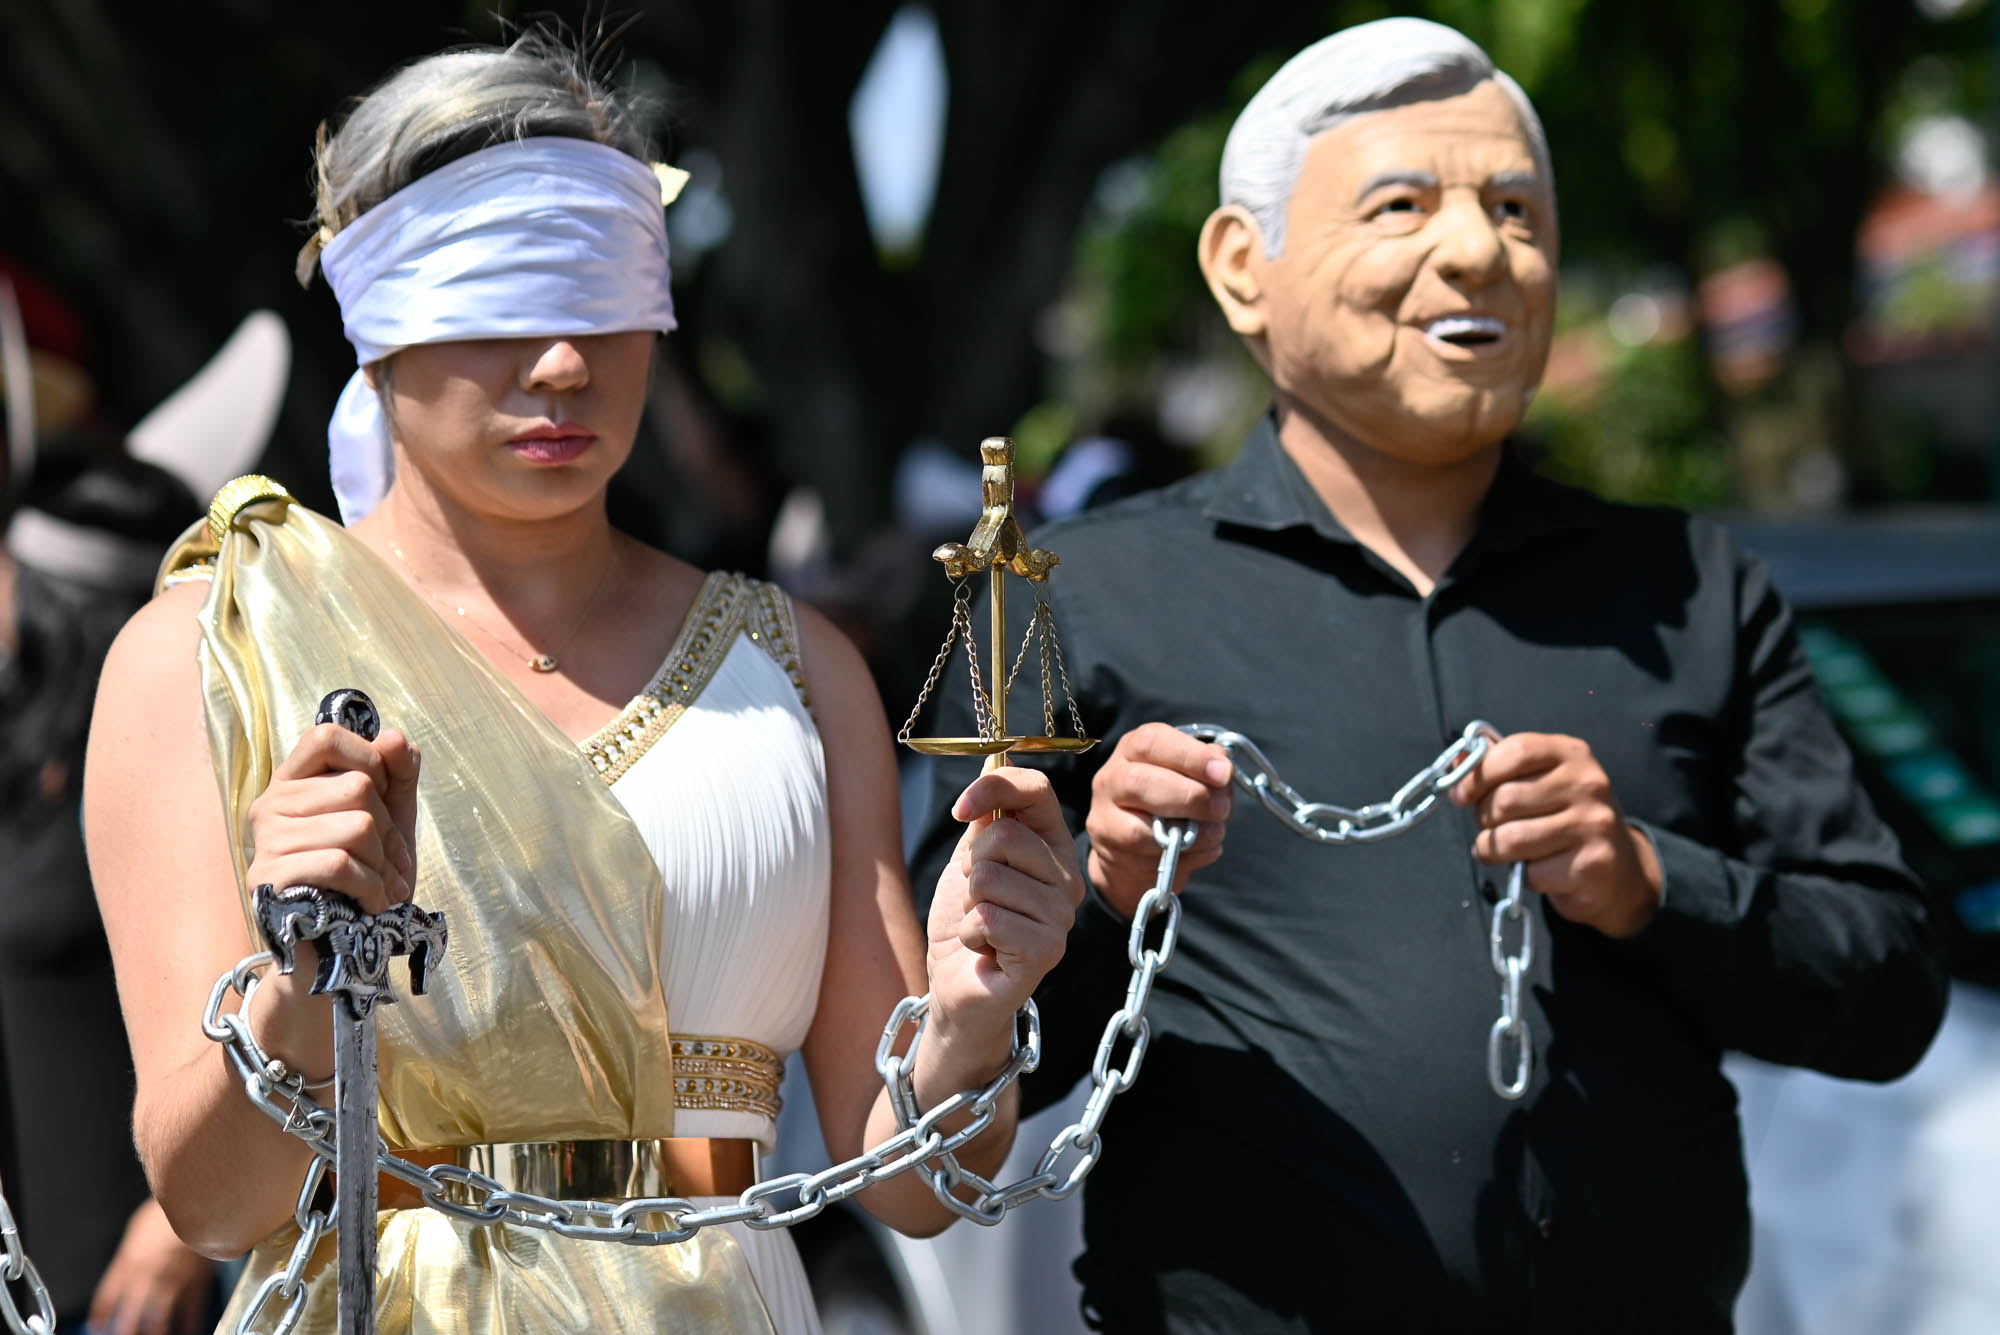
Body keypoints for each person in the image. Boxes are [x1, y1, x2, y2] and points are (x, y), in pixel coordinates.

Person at [911, 18, 1947, 1334]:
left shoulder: (1690, 587)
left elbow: (1890, 987)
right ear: (1244, 267)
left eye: (1517, 209)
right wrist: (1099, 892)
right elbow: (938, 1060)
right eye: (1403, 204)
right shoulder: (1057, 597)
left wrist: (1648, 880)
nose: (1479, 250)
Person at [82, 34, 1081, 1335]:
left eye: (604, 299)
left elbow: (909, 1180)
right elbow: (212, 1200)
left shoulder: (792, 670)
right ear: (377, 317)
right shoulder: (210, 656)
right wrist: (300, 980)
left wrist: (970, 1013)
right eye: (499, 304)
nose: (563, 364)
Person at [1, 447, 225, 1335]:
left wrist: (177, 1229)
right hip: (29, 1274)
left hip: (131, 1291)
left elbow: (254, 1001)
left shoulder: (171, 779)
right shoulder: (22, 767)